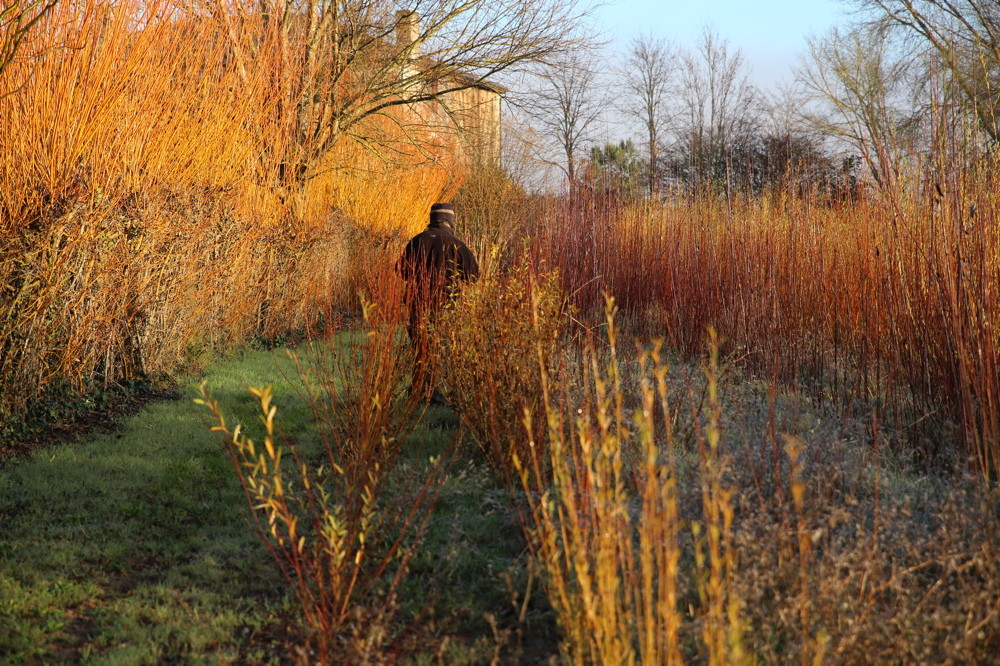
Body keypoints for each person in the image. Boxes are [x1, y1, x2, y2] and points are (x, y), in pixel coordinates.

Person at [397, 203, 479, 399]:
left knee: (419, 347)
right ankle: (438, 394)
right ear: (450, 221)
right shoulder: (455, 243)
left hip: (417, 302)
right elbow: (473, 276)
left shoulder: (416, 241)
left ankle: (418, 392)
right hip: (445, 304)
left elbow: (401, 271)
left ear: (432, 219)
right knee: (441, 348)